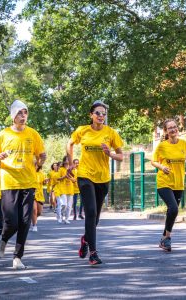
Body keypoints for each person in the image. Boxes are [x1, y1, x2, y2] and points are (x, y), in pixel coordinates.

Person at [0, 99, 46, 270]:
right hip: (9, 182)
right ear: (13, 116)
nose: (23, 116)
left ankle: (17, 257)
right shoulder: (4, 134)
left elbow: (41, 154)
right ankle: (4, 240)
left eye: (25, 112)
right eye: (20, 113)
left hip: (28, 182)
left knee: (25, 221)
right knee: (12, 221)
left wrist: (41, 159)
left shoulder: (33, 134)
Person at [66, 101, 124, 265]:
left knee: (95, 219)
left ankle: (85, 239)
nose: (101, 116)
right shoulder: (82, 130)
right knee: (90, 212)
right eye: (98, 113)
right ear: (91, 115)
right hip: (85, 175)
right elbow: (69, 144)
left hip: (103, 178)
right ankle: (93, 253)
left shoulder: (111, 133)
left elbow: (121, 156)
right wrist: (71, 164)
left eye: (103, 114)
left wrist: (110, 153)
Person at [151, 119, 186, 252]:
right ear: (166, 131)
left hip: (178, 183)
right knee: (174, 209)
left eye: (175, 127)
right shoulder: (162, 145)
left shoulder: (184, 144)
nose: (173, 129)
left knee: (172, 211)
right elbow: (153, 161)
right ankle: (168, 238)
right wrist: (162, 167)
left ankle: (164, 239)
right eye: (170, 128)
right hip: (164, 182)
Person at [56, 156, 74, 224]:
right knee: (64, 205)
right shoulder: (61, 169)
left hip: (70, 189)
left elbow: (74, 180)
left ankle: (66, 218)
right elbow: (58, 178)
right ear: (64, 161)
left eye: (69, 159)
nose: (68, 160)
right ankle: (60, 216)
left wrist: (70, 178)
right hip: (62, 189)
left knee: (69, 206)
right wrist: (64, 177)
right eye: (67, 159)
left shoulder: (72, 169)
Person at [31, 164, 47, 232]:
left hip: (40, 194)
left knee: (39, 212)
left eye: (36, 165)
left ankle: (32, 219)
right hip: (32, 193)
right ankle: (34, 225)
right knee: (34, 210)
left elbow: (43, 183)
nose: (35, 166)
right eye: (34, 165)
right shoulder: (30, 172)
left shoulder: (41, 173)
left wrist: (45, 182)